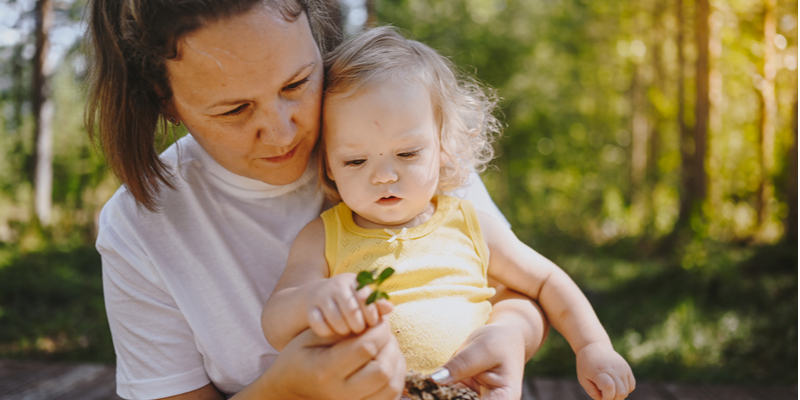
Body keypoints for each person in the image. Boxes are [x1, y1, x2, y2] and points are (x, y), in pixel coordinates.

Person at [84, 0, 549, 399]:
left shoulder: (393, 126)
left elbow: (518, 289)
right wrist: (286, 389)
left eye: (297, 83)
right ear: (163, 99)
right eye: (235, 109)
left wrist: (513, 332)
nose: (283, 132)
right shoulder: (140, 227)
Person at [262, 27, 636, 400]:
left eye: (407, 153)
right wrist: (313, 301)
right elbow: (276, 323)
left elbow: (547, 281)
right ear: (328, 164)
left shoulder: (471, 225)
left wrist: (593, 348)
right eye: (355, 160)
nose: (384, 175)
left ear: (443, 148)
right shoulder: (324, 235)